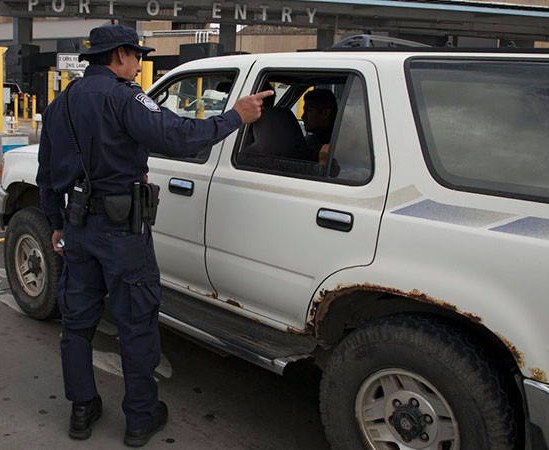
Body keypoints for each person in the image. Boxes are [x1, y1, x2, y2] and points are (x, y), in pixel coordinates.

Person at [36, 25, 273, 447]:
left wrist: (57, 222)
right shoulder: (126, 97)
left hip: (77, 229)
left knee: (76, 324)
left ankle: (81, 410)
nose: (140, 64)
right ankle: (141, 419)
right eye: (138, 57)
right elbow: (179, 136)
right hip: (121, 233)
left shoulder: (61, 103)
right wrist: (236, 115)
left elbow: (46, 173)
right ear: (121, 55)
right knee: (136, 323)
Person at [301, 88, 337, 162]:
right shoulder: (339, 136)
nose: (303, 116)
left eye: (309, 110)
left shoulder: (314, 144)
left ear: (325, 113)